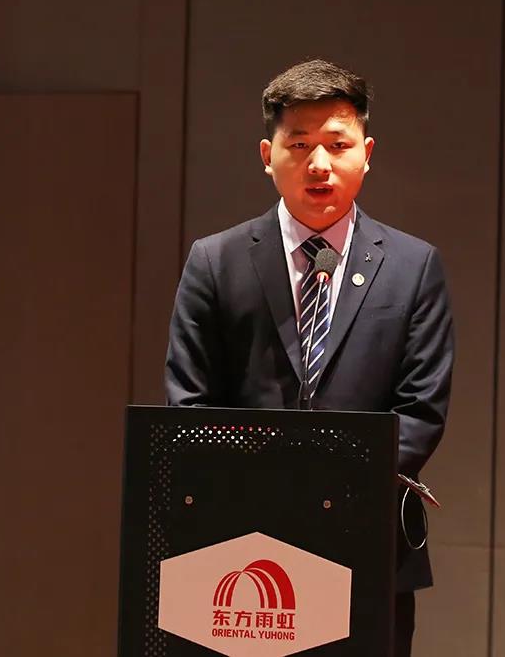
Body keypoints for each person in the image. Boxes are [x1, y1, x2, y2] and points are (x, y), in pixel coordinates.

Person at [164, 58, 454, 656]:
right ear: (266, 156)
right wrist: (269, 493)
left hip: (367, 539)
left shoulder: (413, 266)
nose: (319, 163)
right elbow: (189, 403)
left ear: (366, 153)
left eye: (337, 144)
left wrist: (323, 489)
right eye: (299, 144)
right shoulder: (215, 262)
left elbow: (421, 410)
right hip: (236, 547)